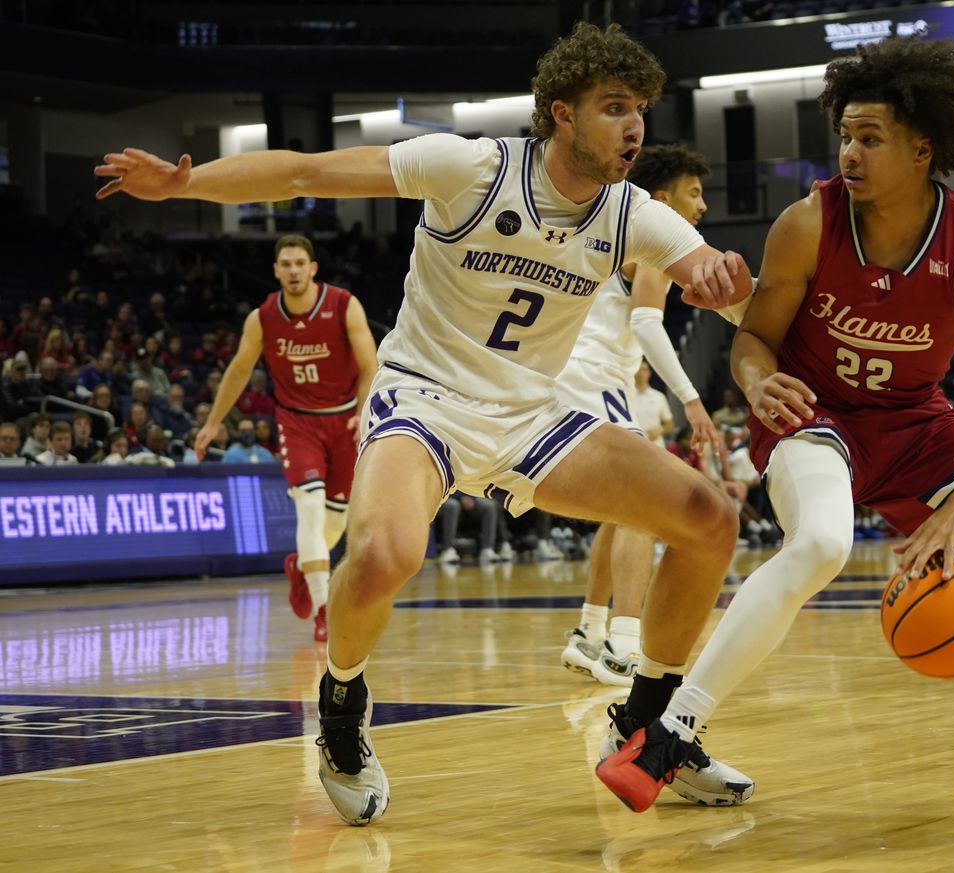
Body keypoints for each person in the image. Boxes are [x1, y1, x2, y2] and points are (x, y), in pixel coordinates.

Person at [96, 21, 755, 826]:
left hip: (532, 416)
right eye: (614, 107)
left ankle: (647, 722)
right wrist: (181, 186)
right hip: (426, 398)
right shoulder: (472, 166)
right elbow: (307, 169)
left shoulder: (629, 213)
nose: (634, 128)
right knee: (382, 553)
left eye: (641, 110)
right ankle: (340, 709)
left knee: (709, 519)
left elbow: (702, 269)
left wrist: (722, 283)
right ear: (561, 114)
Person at [596, 37, 954, 827]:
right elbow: (753, 340)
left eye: (870, 137)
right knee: (821, 542)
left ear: (922, 150)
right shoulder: (807, 222)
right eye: (845, 135)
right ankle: (671, 732)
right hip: (812, 413)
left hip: (914, 422)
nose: (849, 152)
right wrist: (754, 378)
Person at [556, 143, 724, 687]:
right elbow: (649, 325)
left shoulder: (612, 229)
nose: (701, 206)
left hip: (583, 374)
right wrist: (691, 398)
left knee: (619, 509)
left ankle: (589, 633)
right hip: (590, 375)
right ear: (661, 198)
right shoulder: (652, 242)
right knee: (642, 503)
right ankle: (626, 646)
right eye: (693, 193)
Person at [193, 234, 379, 642]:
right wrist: (213, 422)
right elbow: (240, 370)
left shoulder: (344, 305)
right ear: (276, 271)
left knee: (335, 522)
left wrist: (364, 408)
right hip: (297, 423)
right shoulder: (262, 318)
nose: (293, 271)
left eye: (300, 264)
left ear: (312, 269)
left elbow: (371, 365)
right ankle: (323, 608)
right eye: (286, 264)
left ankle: (302, 565)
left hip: (344, 420)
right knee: (309, 512)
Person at [630, 360, 673, 443]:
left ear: (649, 373)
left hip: (655, 445)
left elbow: (670, 424)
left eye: (644, 369)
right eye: (638, 369)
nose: (641, 373)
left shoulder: (659, 396)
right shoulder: (626, 395)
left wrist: (660, 429)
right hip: (633, 445)